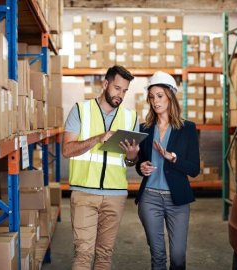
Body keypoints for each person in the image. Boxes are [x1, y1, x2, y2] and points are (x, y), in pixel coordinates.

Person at [62, 65, 140, 270]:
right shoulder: (80, 110)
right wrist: (98, 138)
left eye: (124, 91)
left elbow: (129, 162)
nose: (120, 94)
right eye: (117, 88)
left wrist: (132, 157)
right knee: (83, 254)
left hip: (115, 195)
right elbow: (67, 150)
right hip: (84, 193)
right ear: (105, 84)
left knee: (105, 255)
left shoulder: (131, 118)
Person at [135, 71, 200, 270]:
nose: (155, 101)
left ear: (170, 96)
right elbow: (140, 162)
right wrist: (141, 166)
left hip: (177, 200)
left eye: (160, 96)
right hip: (150, 198)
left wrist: (172, 157)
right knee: (158, 257)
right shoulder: (144, 128)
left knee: (178, 257)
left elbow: (194, 169)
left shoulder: (187, 128)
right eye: (152, 97)